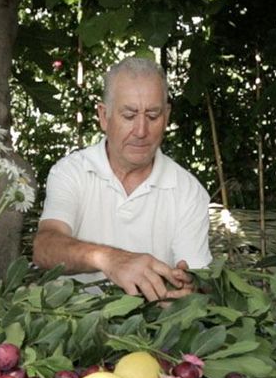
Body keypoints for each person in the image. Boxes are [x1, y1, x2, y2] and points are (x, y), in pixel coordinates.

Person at [33, 57, 212, 301]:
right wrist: (110, 260)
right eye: (129, 115)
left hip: (154, 332)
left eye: (153, 115)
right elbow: (44, 248)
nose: (141, 131)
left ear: (167, 115)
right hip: (73, 325)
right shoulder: (72, 172)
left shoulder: (188, 191)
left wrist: (189, 289)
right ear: (104, 116)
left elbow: (198, 282)